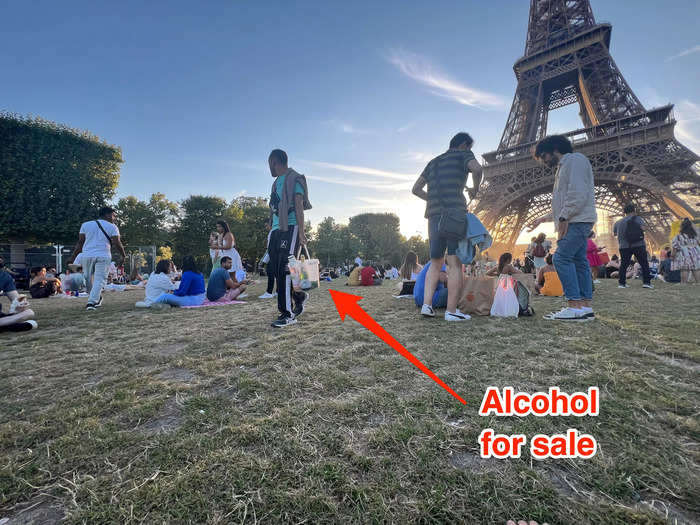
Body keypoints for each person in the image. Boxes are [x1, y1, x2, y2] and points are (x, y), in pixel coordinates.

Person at [411, 132, 483, 321]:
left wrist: (431, 199)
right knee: (454, 263)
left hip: (434, 216)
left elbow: (415, 189)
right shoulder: (463, 155)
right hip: (454, 215)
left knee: (435, 262)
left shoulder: (433, 162)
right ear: (464, 145)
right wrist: (475, 188)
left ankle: (427, 306)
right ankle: (451, 311)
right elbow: (477, 169)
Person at [530, 135, 596, 321]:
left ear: (555, 148)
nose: (543, 161)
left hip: (576, 220)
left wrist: (564, 217)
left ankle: (574, 306)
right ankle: (584, 307)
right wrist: (545, 218)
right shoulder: (564, 166)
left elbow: (578, 193)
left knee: (561, 258)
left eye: (544, 156)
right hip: (577, 218)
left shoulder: (574, 160)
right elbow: (566, 200)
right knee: (579, 261)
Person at [267, 148, 312, 328]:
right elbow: (273, 207)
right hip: (276, 230)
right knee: (277, 270)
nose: (269, 167)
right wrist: (270, 229)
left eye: (270, 163)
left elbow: (299, 205)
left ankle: (287, 314)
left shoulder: (294, 177)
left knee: (286, 269)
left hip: (291, 227)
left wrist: (301, 231)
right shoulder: (275, 183)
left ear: (275, 161)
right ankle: (299, 296)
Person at [68, 206, 126, 311]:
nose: (115, 218)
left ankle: (91, 302)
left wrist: (73, 257)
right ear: (107, 214)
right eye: (114, 215)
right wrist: (123, 255)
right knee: (98, 280)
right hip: (103, 255)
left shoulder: (85, 225)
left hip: (87, 255)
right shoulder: (112, 227)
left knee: (88, 278)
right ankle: (95, 298)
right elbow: (117, 243)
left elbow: (80, 242)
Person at [613, 203, 652, 289]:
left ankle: (622, 283)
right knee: (644, 263)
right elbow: (644, 229)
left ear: (624, 212)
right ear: (634, 211)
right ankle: (646, 283)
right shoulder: (638, 219)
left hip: (623, 246)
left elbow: (615, 234)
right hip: (638, 244)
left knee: (623, 264)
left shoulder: (618, 222)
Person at [671, 217, 700, 284]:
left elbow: (675, 247)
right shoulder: (695, 235)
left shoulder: (678, 236)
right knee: (696, 268)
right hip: (696, 252)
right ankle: (698, 282)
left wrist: (673, 255)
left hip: (684, 253)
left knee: (684, 269)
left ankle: (683, 283)